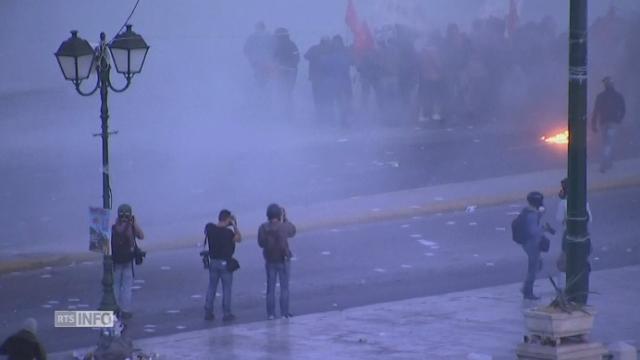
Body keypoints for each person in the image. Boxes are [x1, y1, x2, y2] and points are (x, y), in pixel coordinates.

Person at [258, 203, 296, 319]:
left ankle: (271, 314)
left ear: (268, 215)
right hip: (283, 259)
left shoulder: (263, 227)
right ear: (279, 214)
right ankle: (284, 313)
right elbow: (293, 231)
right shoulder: (283, 226)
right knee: (284, 288)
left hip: (270, 260)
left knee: (270, 288)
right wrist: (285, 219)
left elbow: (260, 243)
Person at [203, 209, 242, 322]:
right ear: (228, 219)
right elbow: (239, 238)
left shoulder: (210, 230)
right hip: (225, 263)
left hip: (213, 262)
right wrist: (234, 225)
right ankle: (226, 313)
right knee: (226, 289)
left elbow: (209, 229)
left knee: (211, 288)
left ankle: (208, 312)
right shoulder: (228, 233)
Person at [555, 178, 593, 291]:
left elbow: (559, 218)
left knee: (564, 262)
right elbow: (590, 219)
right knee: (582, 260)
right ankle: (582, 283)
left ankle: (562, 286)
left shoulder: (563, 203)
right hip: (584, 234)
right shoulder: (583, 201)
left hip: (569, 234)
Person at [111, 203, 144, 319]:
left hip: (115, 261)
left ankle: (114, 308)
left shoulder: (114, 228)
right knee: (126, 286)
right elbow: (141, 236)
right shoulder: (130, 227)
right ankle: (125, 309)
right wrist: (134, 223)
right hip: (128, 260)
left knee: (115, 285)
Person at [519, 191, 552, 300]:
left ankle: (526, 288)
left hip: (527, 242)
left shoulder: (527, 210)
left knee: (538, 265)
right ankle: (527, 291)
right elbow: (534, 231)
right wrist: (544, 229)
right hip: (531, 243)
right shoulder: (532, 215)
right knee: (533, 268)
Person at [591, 76, 626, 173]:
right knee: (609, 143)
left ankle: (607, 163)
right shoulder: (618, 96)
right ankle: (605, 164)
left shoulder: (600, 96)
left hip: (603, 123)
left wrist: (593, 124)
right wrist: (619, 119)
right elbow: (623, 109)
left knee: (606, 143)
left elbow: (595, 111)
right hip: (613, 123)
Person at [272, 28, 300, 119]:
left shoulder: (287, 45)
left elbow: (296, 58)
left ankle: (287, 114)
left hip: (288, 71)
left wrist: (287, 66)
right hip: (287, 71)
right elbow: (274, 57)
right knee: (285, 92)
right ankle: (286, 113)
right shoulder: (290, 45)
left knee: (285, 92)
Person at [244, 21, 275, 89]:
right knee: (263, 77)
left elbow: (246, 50)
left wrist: (251, 59)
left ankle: (262, 91)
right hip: (261, 61)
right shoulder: (268, 36)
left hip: (261, 62)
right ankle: (262, 91)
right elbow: (246, 50)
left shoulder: (253, 37)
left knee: (263, 77)